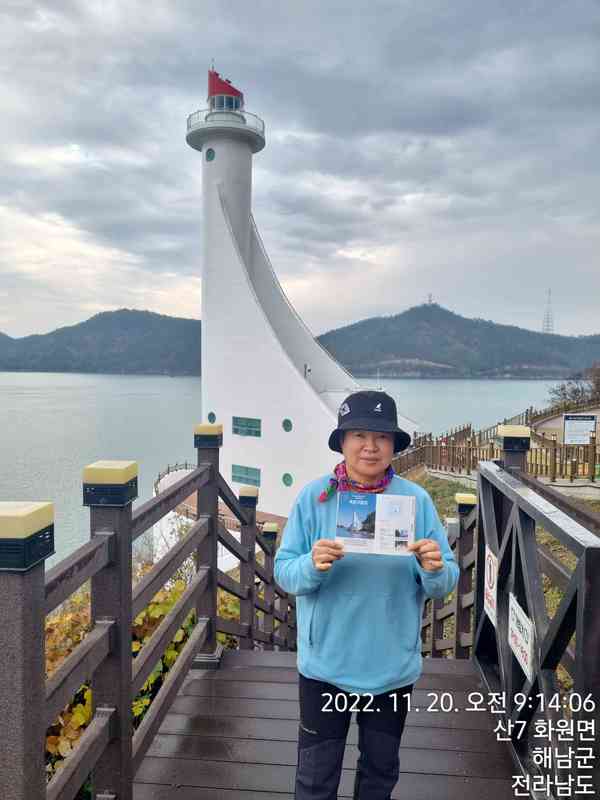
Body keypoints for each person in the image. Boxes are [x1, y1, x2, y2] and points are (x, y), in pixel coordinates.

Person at [274, 389, 460, 800]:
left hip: (391, 669)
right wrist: (311, 565)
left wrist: (433, 568)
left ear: (394, 445)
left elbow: (446, 580)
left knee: (379, 776)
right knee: (314, 780)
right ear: (342, 442)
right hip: (326, 668)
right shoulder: (314, 498)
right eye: (359, 434)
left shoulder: (415, 501)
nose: (370, 446)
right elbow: (284, 572)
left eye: (382, 437)